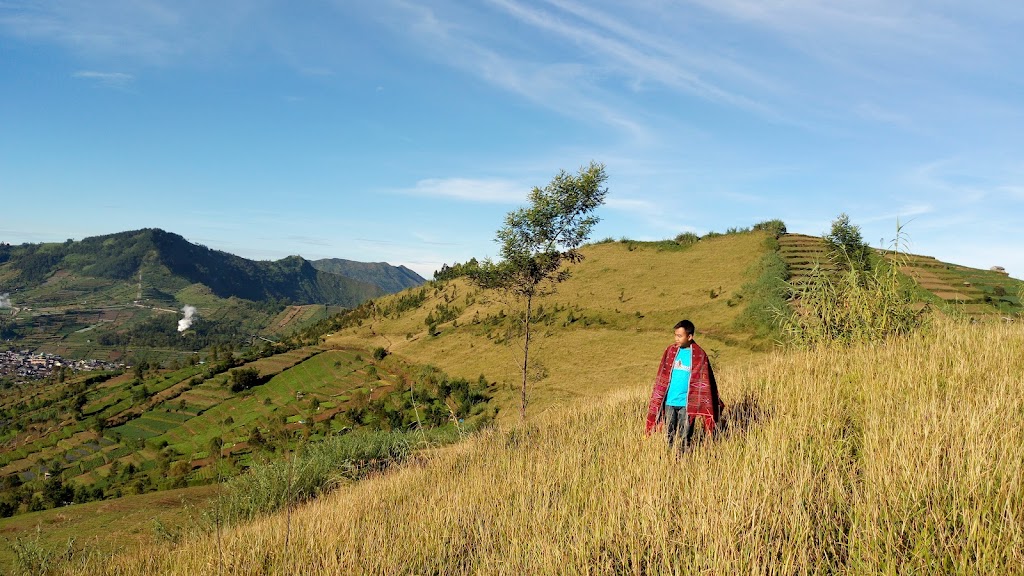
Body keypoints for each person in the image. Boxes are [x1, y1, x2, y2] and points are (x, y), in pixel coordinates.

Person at [645, 319, 724, 449]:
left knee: (685, 435)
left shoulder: (699, 355)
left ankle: (683, 456)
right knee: (669, 434)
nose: (676, 338)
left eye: (680, 336)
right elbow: (662, 375)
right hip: (670, 401)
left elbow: (706, 380)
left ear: (689, 336)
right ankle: (670, 455)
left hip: (687, 404)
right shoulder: (670, 351)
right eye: (675, 335)